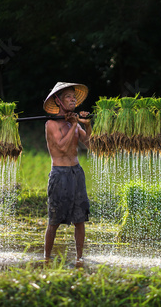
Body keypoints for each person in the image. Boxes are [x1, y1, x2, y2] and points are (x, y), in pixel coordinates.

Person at [42, 82, 92, 264]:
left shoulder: (75, 123)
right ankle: (46, 257)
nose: (72, 99)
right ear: (58, 101)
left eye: (73, 96)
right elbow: (62, 147)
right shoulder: (51, 124)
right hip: (60, 174)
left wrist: (86, 125)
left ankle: (80, 257)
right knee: (54, 220)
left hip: (76, 172)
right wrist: (72, 125)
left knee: (80, 218)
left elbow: (89, 144)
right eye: (68, 97)